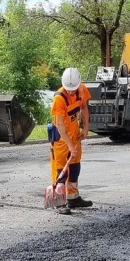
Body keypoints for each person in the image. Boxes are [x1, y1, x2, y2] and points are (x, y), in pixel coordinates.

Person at [48, 67, 92, 214]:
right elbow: (60, 126)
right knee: (61, 169)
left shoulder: (82, 89)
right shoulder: (59, 99)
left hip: (74, 134)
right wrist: (69, 146)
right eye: (69, 89)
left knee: (75, 167)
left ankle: (73, 198)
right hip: (61, 138)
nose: (72, 92)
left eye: (74, 89)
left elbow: (84, 108)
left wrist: (85, 128)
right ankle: (59, 202)